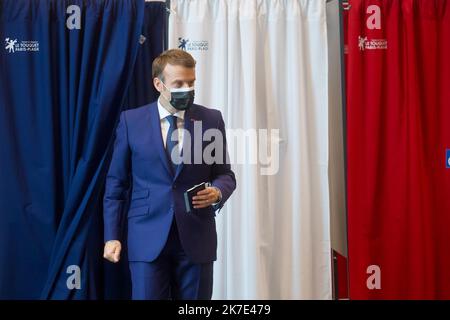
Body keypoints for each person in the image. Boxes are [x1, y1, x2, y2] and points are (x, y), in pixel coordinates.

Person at [102, 49, 236, 300]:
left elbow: (225, 175)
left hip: (197, 237)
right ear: (158, 84)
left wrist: (218, 191)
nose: (187, 88)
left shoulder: (211, 119)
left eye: (191, 82)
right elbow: (116, 184)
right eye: (179, 84)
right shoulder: (131, 121)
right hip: (146, 236)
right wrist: (112, 236)